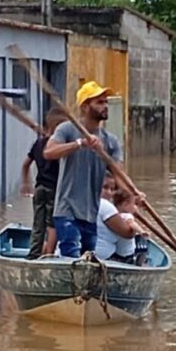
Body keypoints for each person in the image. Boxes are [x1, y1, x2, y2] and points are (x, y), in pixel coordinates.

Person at [44, 81, 126, 258]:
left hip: (91, 212)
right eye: (99, 102)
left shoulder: (110, 141)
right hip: (67, 209)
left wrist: (134, 195)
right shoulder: (67, 129)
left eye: (105, 102)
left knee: (88, 257)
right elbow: (49, 152)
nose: (105, 106)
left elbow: (119, 174)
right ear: (85, 106)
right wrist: (79, 144)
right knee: (71, 255)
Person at [21, 108, 66, 259]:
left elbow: (26, 164)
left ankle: (33, 254)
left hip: (39, 188)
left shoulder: (39, 143)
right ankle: (49, 254)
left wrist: (26, 182)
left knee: (38, 224)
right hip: (54, 190)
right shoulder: (58, 148)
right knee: (53, 224)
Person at [95, 178, 150, 265]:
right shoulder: (109, 208)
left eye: (112, 189)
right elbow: (129, 232)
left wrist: (135, 196)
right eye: (105, 187)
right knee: (142, 243)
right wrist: (141, 231)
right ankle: (140, 263)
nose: (109, 192)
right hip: (114, 256)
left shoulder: (110, 208)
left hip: (108, 253)